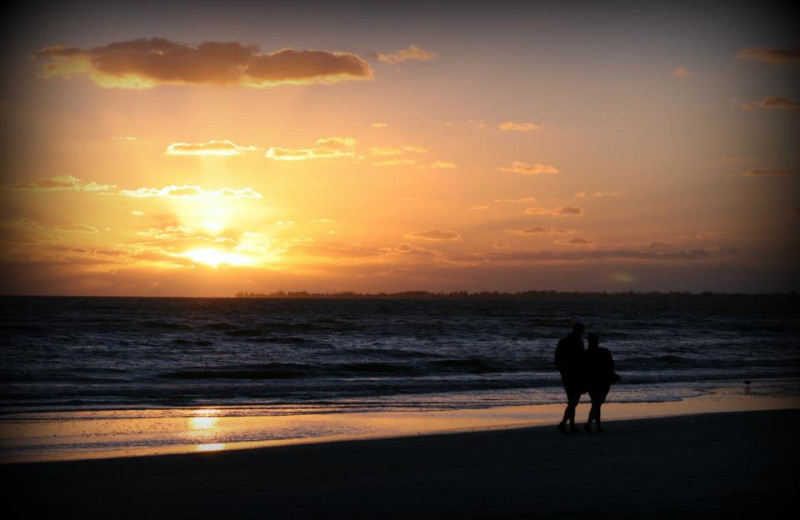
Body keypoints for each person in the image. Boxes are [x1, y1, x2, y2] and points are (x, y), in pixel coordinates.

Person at [583, 333, 619, 434]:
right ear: (597, 341)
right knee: (597, 404)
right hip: (604, 381)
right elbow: (611, 365)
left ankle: (596, 426)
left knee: (596, 403)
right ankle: (590, 425)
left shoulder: (586, 353)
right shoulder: (605, 351)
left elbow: (583, 369)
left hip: (591, 381)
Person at [555, 322, 586, 434]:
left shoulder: (567, 341)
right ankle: (564, 424)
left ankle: (570, 425)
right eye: (581, 330)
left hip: (571, 375)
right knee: (573, 401)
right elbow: (582, 359)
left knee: (572, 401)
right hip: (572, 375)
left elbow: (557, 359)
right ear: (576, 330)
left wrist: (562, 370)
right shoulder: (573, 342)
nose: (582, 332)